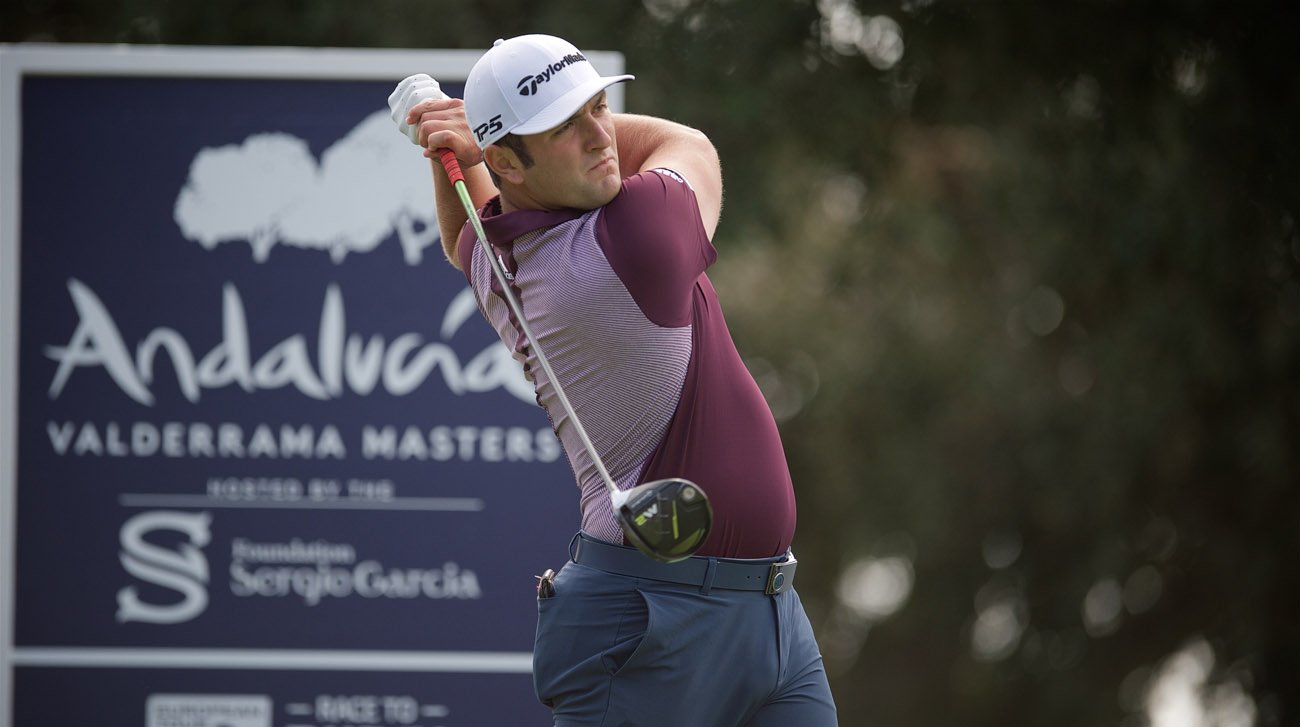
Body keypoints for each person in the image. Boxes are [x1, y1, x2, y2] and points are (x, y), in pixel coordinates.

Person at [390, 34, 838, 727]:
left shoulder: (507, 262)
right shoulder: (639, 232)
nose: (599, 134)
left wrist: (469, 147)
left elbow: (467, 236)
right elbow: (687, 143)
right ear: (506, 159)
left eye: (599, 107)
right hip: (653, 625)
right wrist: (473, 142)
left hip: (771, 612)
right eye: (566, 126)